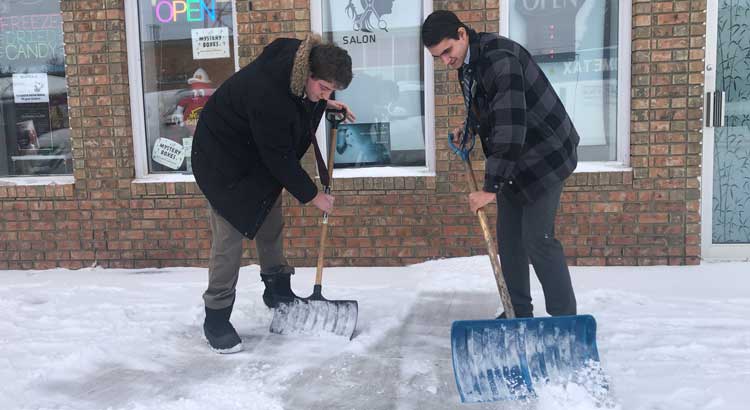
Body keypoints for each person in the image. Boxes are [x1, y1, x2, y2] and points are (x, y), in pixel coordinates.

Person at [191, 35, 355, 353]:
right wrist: (312, 195)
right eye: (323, 88)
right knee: (229, 241)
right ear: (307, 75)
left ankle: (277, 291)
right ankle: (216, 317)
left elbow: (290, 117)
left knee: (271, 224)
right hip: (222, 163)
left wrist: (324, 101)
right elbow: (278, 155)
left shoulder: (300, 68)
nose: (326, 95)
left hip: (255, 156)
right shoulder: (268, 93)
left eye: (331, 90)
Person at [421, 11, 579, 319]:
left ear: (462, 34)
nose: (445, 61)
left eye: (447, 52)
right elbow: (489, 109)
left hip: (545, 154)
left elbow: (509, 125)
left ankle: (565, 322)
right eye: (437, 57)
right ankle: (517, 312)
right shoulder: (468, 64)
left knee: (538, 240)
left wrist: (490, 188)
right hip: (515, 160)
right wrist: (467, 128)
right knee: (509, 242)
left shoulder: (500, 60)